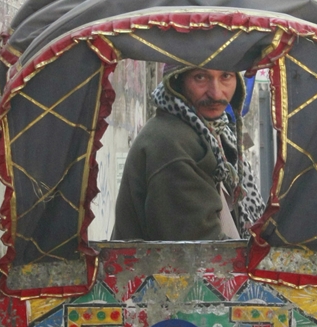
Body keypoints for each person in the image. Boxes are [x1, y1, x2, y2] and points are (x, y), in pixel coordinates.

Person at [112, 64, 264, 241]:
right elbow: (200, 253)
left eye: (226, 76)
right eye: (200, 77)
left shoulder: (212, 131)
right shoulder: (172, 144)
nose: (215, 93)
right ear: (177, 81)